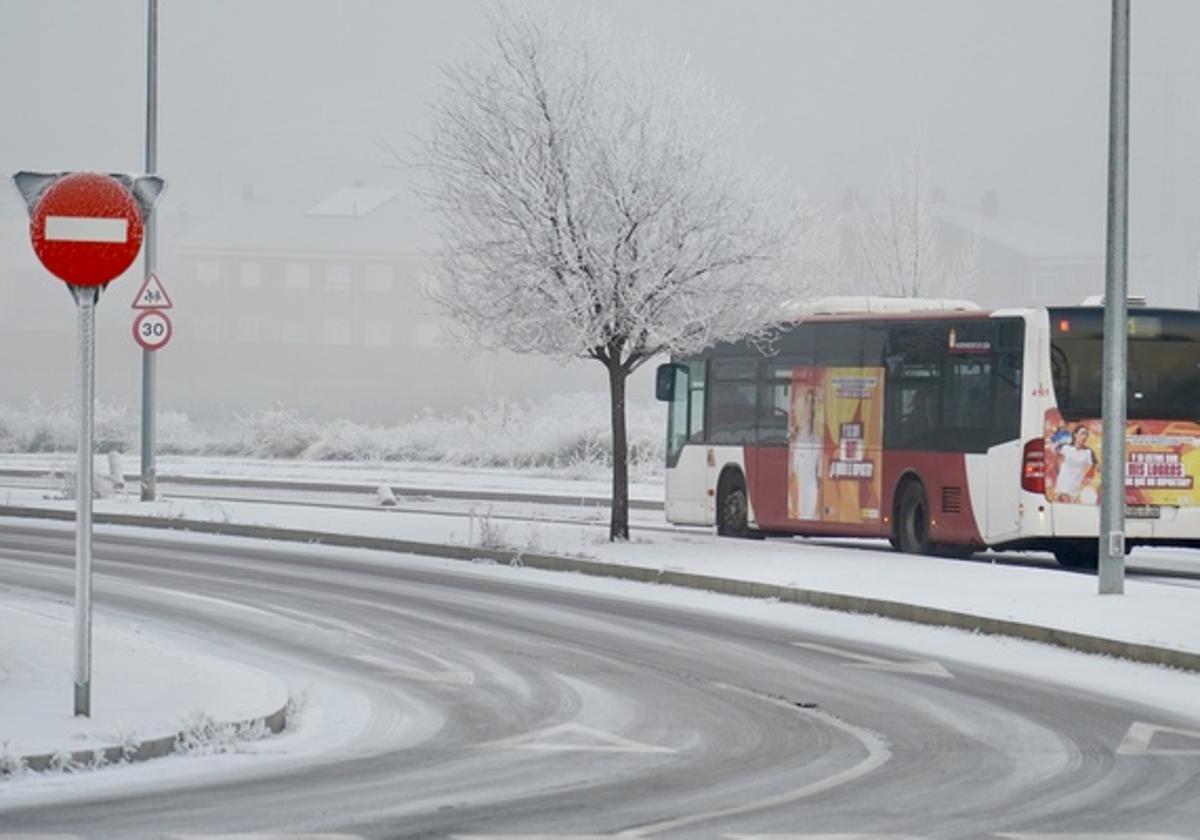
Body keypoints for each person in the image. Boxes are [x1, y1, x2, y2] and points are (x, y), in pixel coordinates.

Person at [789, 386, 821, 519]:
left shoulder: (815, 438)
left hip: (808, 491)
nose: (809, 409)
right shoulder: (794, 436)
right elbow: (792, 471)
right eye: (806, 404)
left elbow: (818, 475)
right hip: (797, 492)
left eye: (812, 405)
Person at [1054, 425, 1097, 503]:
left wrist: (1086, 480)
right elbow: (1057, 462)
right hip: (1063, 486)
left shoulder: (1088, 452)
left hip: (1076, 488)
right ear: (1075, 435)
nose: (1084, 436)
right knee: (1066, 504)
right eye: (1082, 433)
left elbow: (1093, 468)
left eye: (1086, 434)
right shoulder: (1065, 448)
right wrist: (1062, 476)